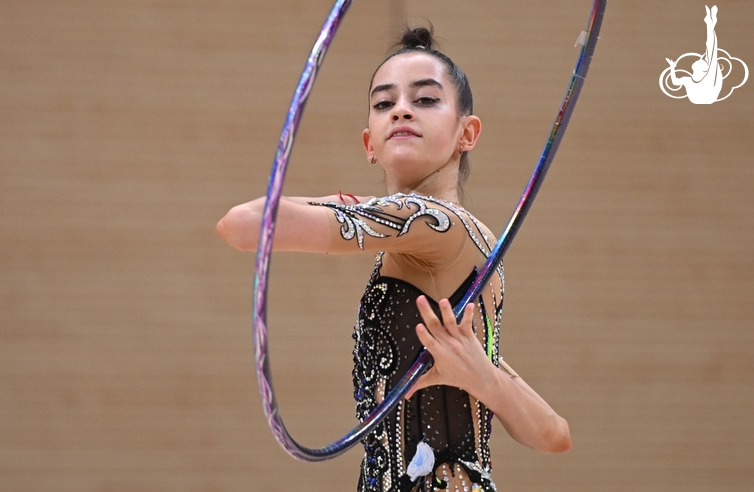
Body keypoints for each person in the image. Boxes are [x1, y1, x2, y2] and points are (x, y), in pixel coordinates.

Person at [217, 26, 571, 492]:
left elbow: (243, 225)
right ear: (370, 144)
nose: (401, 108)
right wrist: (484, 379)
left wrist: (348, 202)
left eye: (425, 100)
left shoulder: (433, 224)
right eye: (385, 103)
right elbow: (553, 433)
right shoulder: (458, 245)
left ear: (468, 132)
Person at [666, 5, 722, 104]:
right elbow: (674, 82)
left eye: (701, 61)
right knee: (711, 52)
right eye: (702, 60)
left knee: (711, 51)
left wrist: (672, 68)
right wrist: (672, 67)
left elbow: (711, 49)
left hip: (705, 96)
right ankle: (710, 23)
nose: (698, 59)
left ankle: (710, 23)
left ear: (703, 69)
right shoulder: (691, 80)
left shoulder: (703, 78)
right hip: (705, 97)